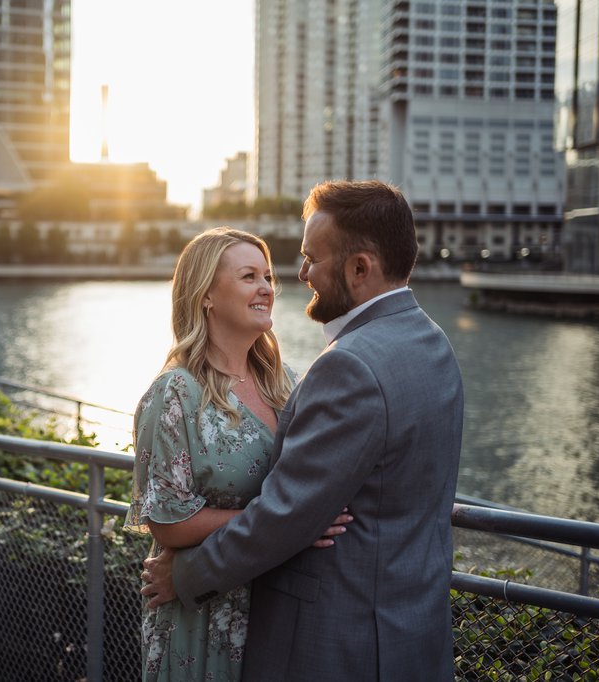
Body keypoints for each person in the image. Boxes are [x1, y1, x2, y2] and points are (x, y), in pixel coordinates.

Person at [142, 180, 465, 680]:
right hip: (410, 627)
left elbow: (289, 513)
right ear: (205, 295)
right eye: (253, 275)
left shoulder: (346, 368)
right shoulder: (433, 343)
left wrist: (186, 574)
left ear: (359, 268)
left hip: (344, 636)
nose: (299, 275)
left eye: (311, 259)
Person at [125, 226, 353, 681]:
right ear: (206, 294)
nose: (267, 288)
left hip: (278, 601)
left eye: (267, 276)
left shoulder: (284, 383)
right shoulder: (174, 395)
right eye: (249, 276)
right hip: (200, 613)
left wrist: (289, 527)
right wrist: (290, 525)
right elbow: (168, 524)